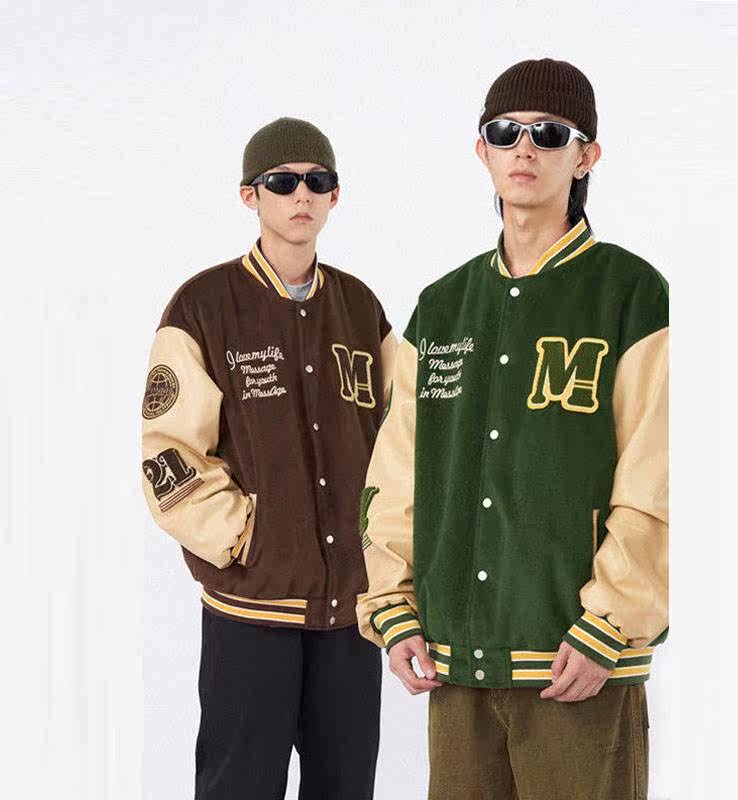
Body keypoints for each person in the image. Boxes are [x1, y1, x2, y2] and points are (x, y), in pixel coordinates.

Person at [355, 58, 669, 800]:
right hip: (455, 664)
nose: (524, 148)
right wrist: (392, 605)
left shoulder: (632, 295)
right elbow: (396, 472)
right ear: (483, 151)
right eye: (505, 132)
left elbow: (658, 474)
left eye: (549, 133)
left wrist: (609, 622)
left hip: (579, 664)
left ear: (585, 157)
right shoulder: (441, 308)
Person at [140, 116, 396, 800]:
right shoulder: (205, 306)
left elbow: (404, 440)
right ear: (250, 195)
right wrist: (245, 537)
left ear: (335, 196)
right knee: (240, 785)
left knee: (346, 786)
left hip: (350, 611)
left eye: (317, 181)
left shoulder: (360, 307)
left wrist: (387, 548)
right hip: (251, 609)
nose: (301, 195)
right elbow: (169, 453)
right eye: (282, 182)